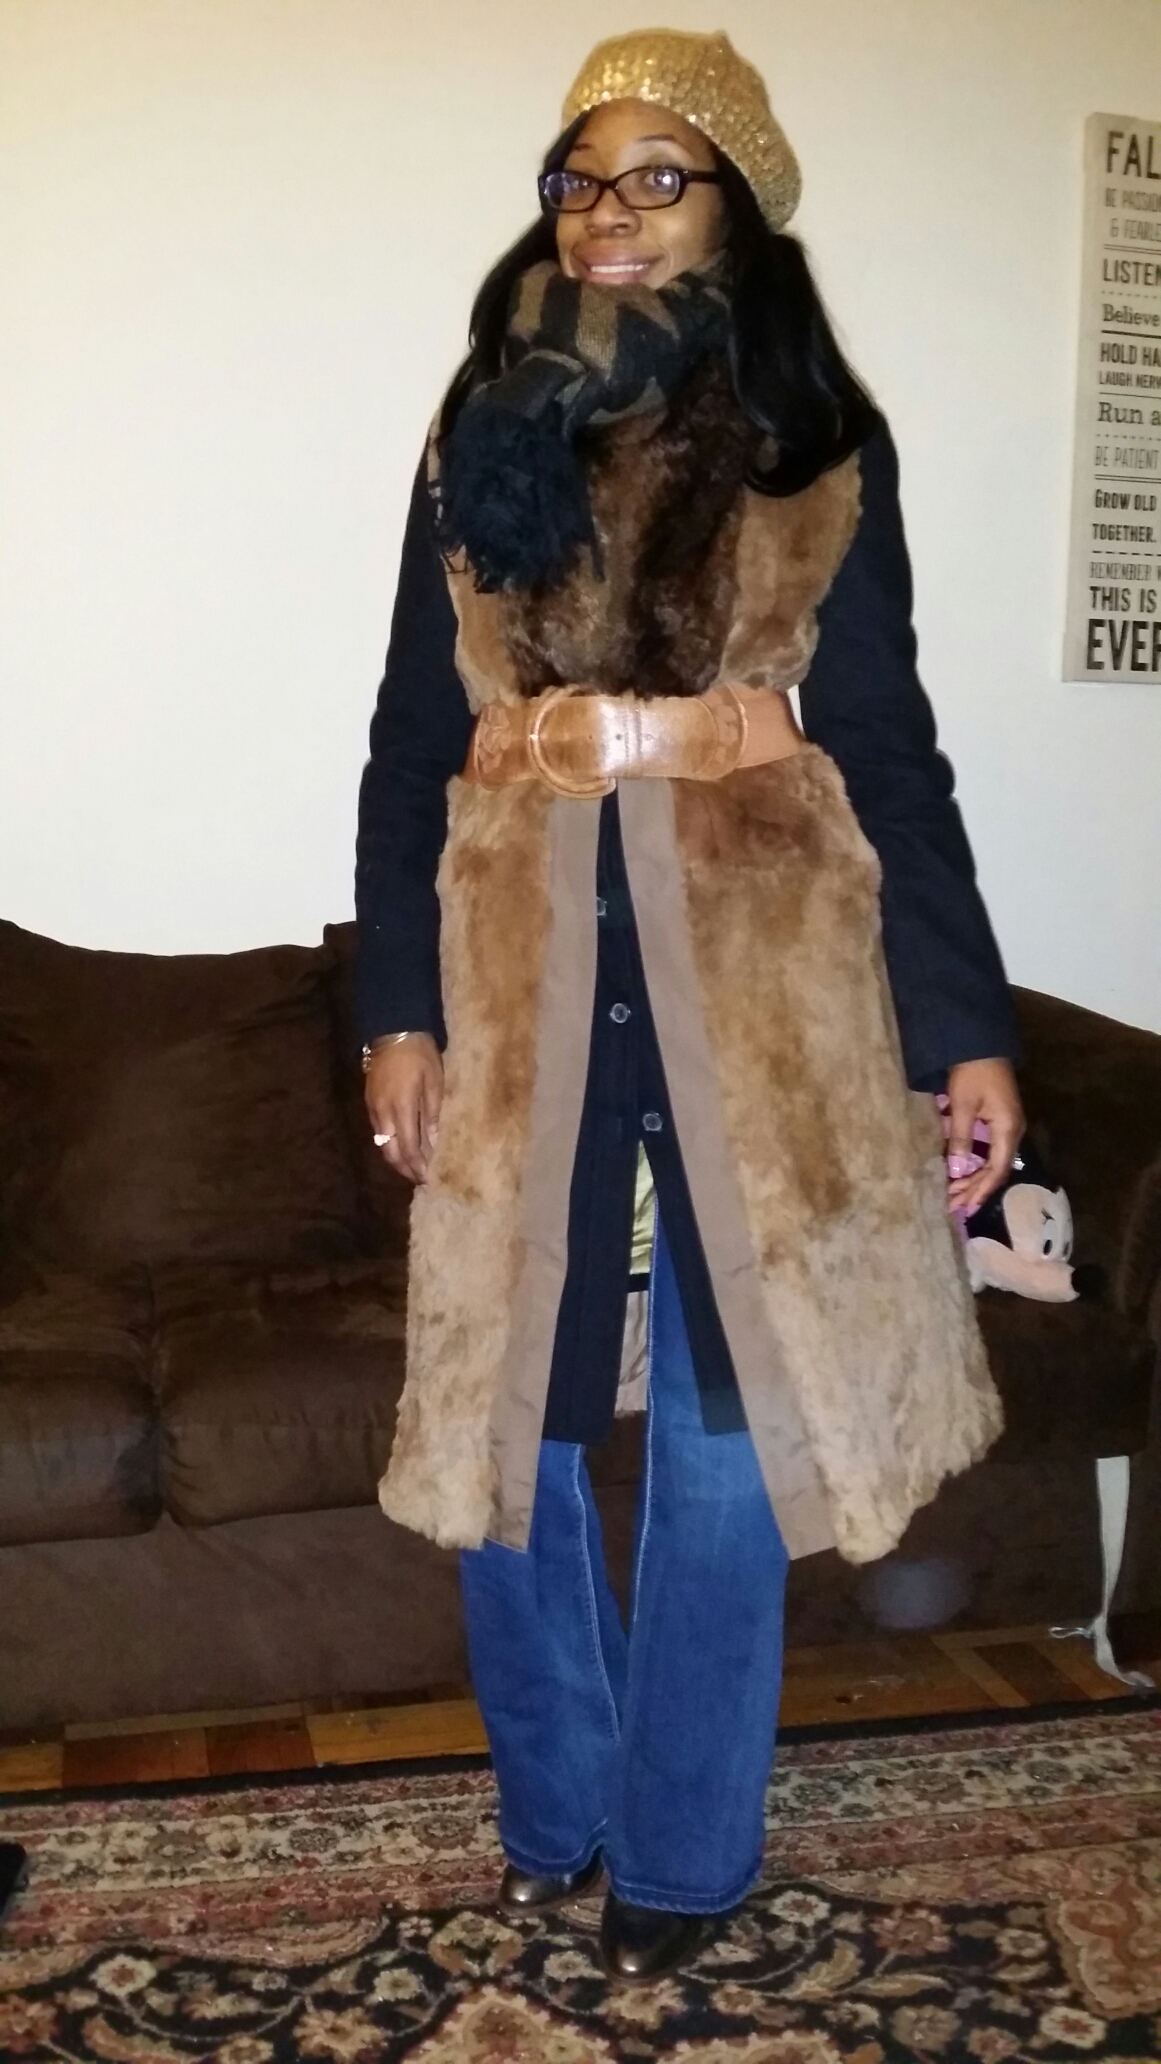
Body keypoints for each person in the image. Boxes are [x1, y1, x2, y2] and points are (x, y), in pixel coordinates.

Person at [355, 27, 1023, 1984]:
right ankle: (557, 1806)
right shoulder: (476, 435)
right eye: (577, 178)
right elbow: (404, 740)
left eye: (656, 176)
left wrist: (959, 1026)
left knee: (729, 1430)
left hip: (761, 981)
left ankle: (679, 1849)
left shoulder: (815, 444)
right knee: (515, 1427)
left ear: (738, 206)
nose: (605, 212)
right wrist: (395, 1007)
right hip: (522, 971)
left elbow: (887, 744)